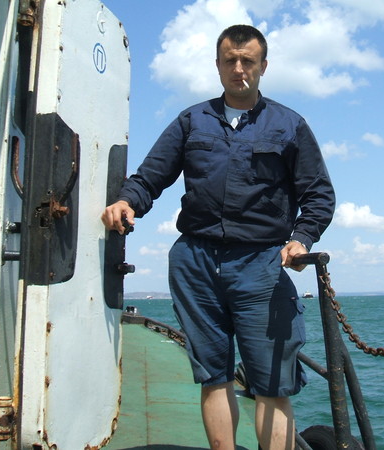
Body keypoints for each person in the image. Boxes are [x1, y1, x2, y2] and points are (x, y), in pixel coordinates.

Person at [101, 24, 335, 450]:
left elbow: (318, 195)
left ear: (264, 66)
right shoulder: (192, 121)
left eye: (248, 61)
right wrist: (127, 201)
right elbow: (151, 176)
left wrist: (301, 239)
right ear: (218, 65)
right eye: (231, 60)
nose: (239, 69)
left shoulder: (289, 125)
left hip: (262, 264)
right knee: (213, 375)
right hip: (196, 262)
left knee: (272, 383)